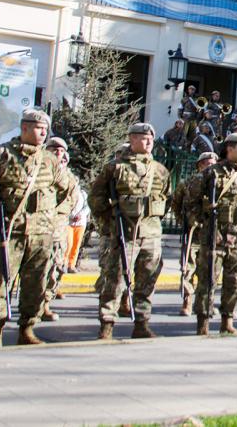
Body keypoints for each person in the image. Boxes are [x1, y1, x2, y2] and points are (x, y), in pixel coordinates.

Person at [0, 109, 77, 348]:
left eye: (45, 129)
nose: (42, 133)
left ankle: (27, 329)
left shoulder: (49, 159)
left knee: (35, 284)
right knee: (1, 282)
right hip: (10, 229)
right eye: (38, 128)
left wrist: (48, 212)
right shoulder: (1, 154)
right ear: (25, 128)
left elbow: (67, 189)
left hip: (41, 233)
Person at [88, 122, 170, 340]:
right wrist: (109, 223)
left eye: (151, 138)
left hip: (150, 233)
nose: (149, 141)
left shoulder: (160, 170)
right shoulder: (115, 168)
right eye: (144, 138)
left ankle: (142, 323)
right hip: (124, 233)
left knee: (147, 281)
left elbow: (165, 199)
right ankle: (107, 324)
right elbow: (96, 198)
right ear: (132, 139)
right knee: (115, 280)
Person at [189, 133, 237, 335]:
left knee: (236, 279)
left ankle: (228, 319)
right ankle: (203, 321)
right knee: (208, 279)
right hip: (214, 234)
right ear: (229, 148)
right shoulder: (211, 173)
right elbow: (191, 201)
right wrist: (202, 222)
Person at [170, 151, 217, 316]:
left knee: (209, 269)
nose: (210, 166)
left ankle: (205, 302)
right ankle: (187, 300)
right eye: (206, 163)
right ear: (199, 165)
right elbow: (175, 203)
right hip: (192, 231)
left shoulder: (220, 184)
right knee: (188, 268)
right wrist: (183, 220)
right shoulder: (187, 183)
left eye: (213, 163)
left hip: (211, 232)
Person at [40, 137, 78, 322]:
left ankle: (45, 303)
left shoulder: (69, 177)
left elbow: (73, 200)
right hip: (37, 225)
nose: (58, 153)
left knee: (55, 266)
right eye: (54, 149)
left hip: (59, 226)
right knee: (36, 267)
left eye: (61, 150)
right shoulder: (37, 170)